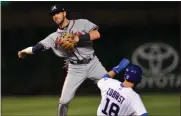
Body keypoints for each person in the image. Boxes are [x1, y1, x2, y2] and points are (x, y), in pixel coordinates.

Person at [18, 4, 107, 116]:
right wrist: (24, 51)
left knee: (113, 89)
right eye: (53, 14)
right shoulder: (54, 37)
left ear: (64, 13)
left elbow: (96, 34)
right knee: (63, 101)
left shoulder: (81, 23)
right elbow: (37, 48)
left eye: (58, 12)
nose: (55, 16)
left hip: (93, 64)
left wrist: (77, 38)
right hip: (75, 69)